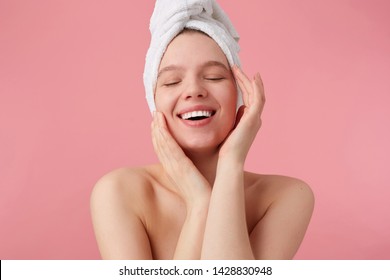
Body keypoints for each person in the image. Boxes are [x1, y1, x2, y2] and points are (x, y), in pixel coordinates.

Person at [90, 0, 314, 260]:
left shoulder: (287, 197)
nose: (194, 90)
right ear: (153, 101)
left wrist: (231, 163)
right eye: (172, 81)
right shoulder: (119, 193)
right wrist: (200, 203)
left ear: (240, 93)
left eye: (214, 77)